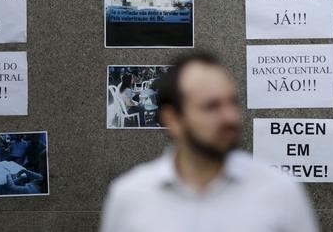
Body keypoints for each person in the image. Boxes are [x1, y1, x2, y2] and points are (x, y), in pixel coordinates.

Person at [100, 52, 317, 232]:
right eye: (211, 106)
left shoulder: (280, 191)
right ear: (172, 120)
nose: (230, 117)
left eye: (232, 102)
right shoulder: (130, 197)